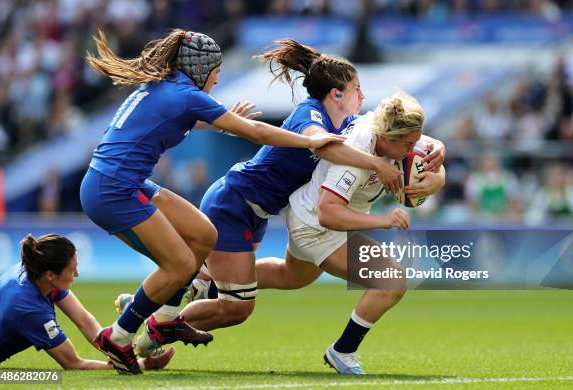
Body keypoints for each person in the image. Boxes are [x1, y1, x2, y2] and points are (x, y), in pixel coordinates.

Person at [125, 40, 445, 355]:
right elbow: (323, 145)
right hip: (234, 202)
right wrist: (376, 164)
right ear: (336, 94)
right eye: (357, 88)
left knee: (279, 279)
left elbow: (400, 134)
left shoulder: (346, 123)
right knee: (236, 307)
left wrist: (438, 149)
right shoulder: (312, 114)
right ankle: (156, 322)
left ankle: (158, 304)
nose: (362, 95)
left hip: (257, 209)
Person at [80, 30, 344, 374]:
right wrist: (311, 140)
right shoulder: (187, 95)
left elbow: (171, 121)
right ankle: (118, 336)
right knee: (178, 265)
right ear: (201, 67)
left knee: (204, 235)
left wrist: (219, 122)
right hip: (113, 189)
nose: (217, 79)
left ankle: (167, 316)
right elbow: (258, 133)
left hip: (119, 181)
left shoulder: (168, 88)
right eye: (216, 71)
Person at [257, 91, 444, 374]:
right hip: (318, 226)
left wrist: (437, 179)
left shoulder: (391, 129)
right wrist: (383, 221)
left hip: (306, 213)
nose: (413, 148)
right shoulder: (357, 156)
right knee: (391, 280)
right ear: (387, 139)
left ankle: (216, 281)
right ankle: (343, 351)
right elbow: (329, 212)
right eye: (408, 144)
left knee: (290, 276)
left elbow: (431, 151)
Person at [0, 234, 174, 371]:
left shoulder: (34, 269)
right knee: (40, 378)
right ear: (51, 275)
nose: (77, 274)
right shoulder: (28, 309)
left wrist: (115, 349)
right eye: (72, 270)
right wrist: (140, 364)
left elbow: (83, 319)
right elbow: (73, 363)